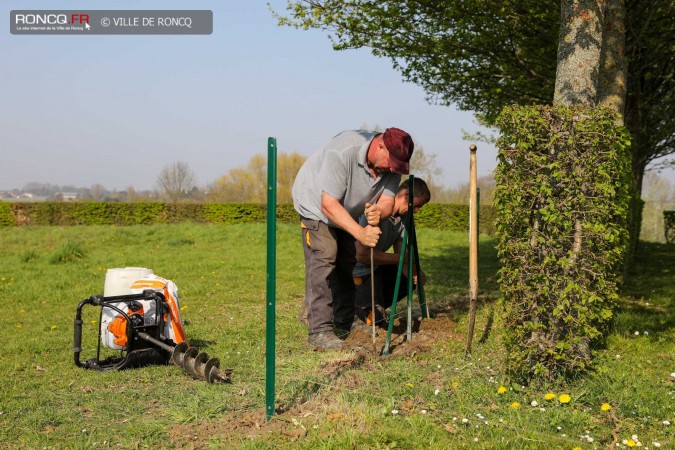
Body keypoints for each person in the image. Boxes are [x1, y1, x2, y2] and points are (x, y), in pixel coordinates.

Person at [292, 128, 415, 350]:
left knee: (347, 262)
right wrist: (360, 233)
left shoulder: (393, 165)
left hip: (346, 209)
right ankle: (319, 331)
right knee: (325, 257)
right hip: (316, 206)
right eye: (391, 163)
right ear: (380, 146)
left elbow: (387, 201)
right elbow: (328, 204)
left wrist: (380, 211)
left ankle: (344, 322)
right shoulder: (343, 152)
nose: (392, 170)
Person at [352, 177, 431, 330]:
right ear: (406, 195)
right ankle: (351, 305)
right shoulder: (376, 211)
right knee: (374, 321)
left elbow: (402, 257)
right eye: (417, 205)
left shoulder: (403, 219)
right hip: (356, 270)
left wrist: (414, 274)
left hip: (375, 269)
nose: (417, 211)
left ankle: (373, 305)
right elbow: (361, 255)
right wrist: (400, 259)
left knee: (408, 281)